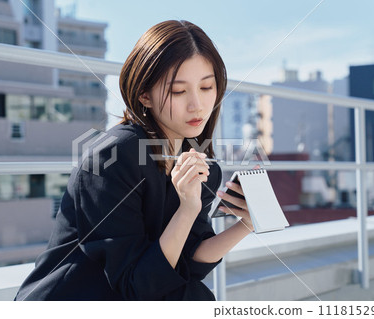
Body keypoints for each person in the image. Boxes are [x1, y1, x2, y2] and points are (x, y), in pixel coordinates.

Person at [14, 20, 254, 301]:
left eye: (206, 87)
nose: (197, 105)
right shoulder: (112, 157)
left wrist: (247, 224)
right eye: (178, 91)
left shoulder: (201, 167)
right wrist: (187, 209)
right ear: (144, 95)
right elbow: (135, 285)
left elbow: (185, 264)